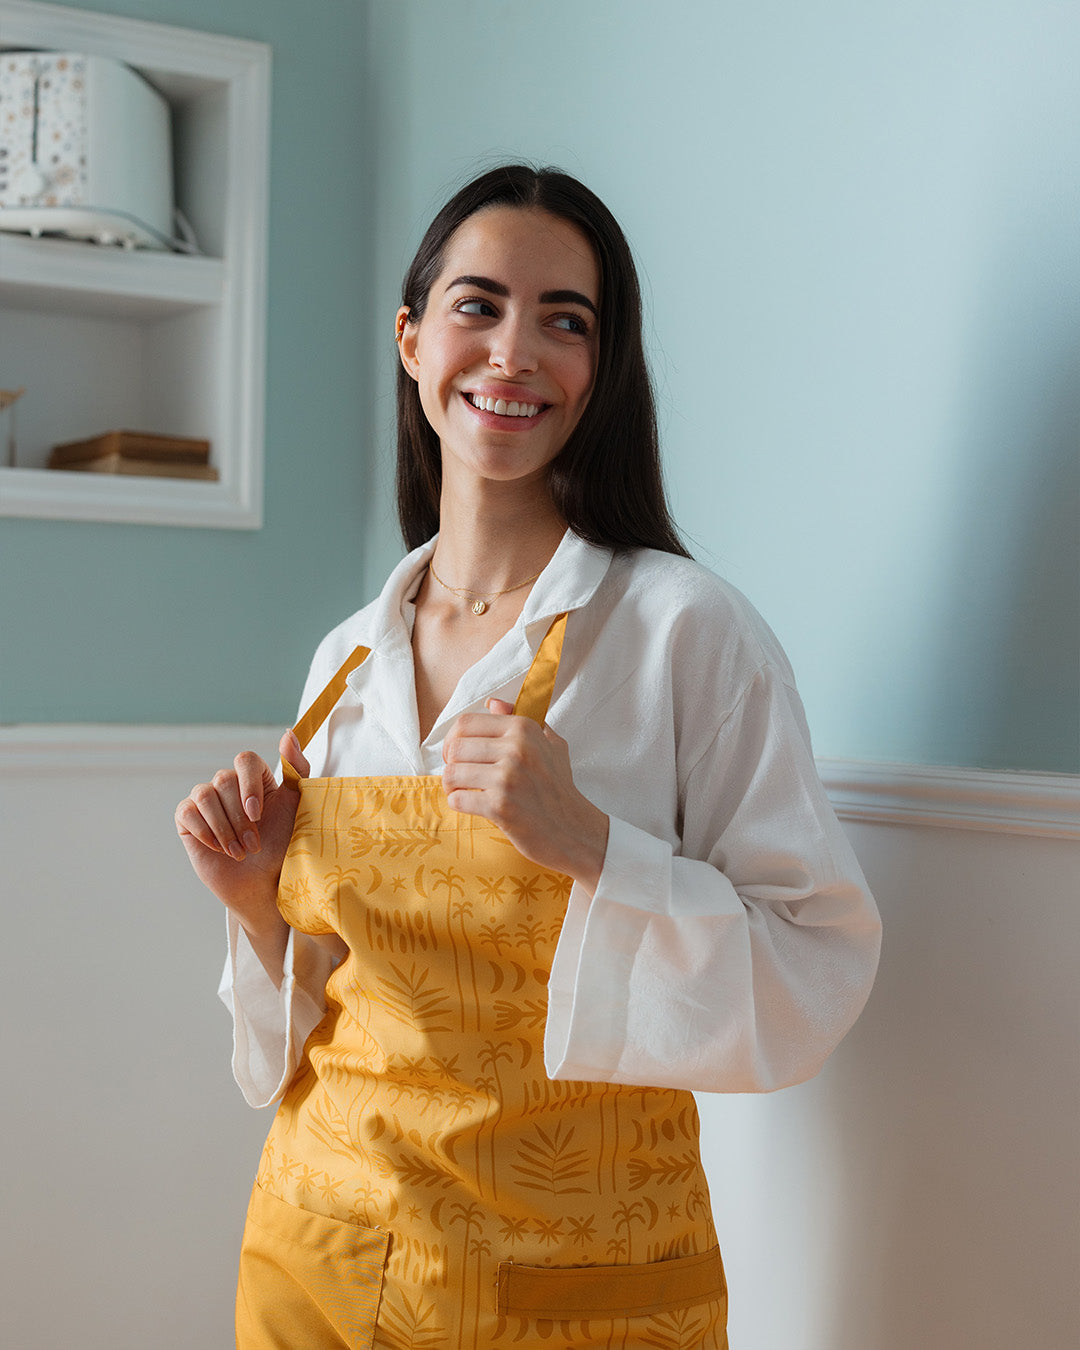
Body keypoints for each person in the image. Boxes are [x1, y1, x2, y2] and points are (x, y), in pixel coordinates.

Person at [176, 163, 881, 1350]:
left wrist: (593, 844)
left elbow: (814, 974)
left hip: (569, 1293)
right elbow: (320, 1024)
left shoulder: (682, 633)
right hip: (320, 1256)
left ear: (601, 372)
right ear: (411, 340)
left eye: (566, 321)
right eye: (477, 305)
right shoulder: (346, 663)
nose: (513, 352)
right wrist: (257, 909)